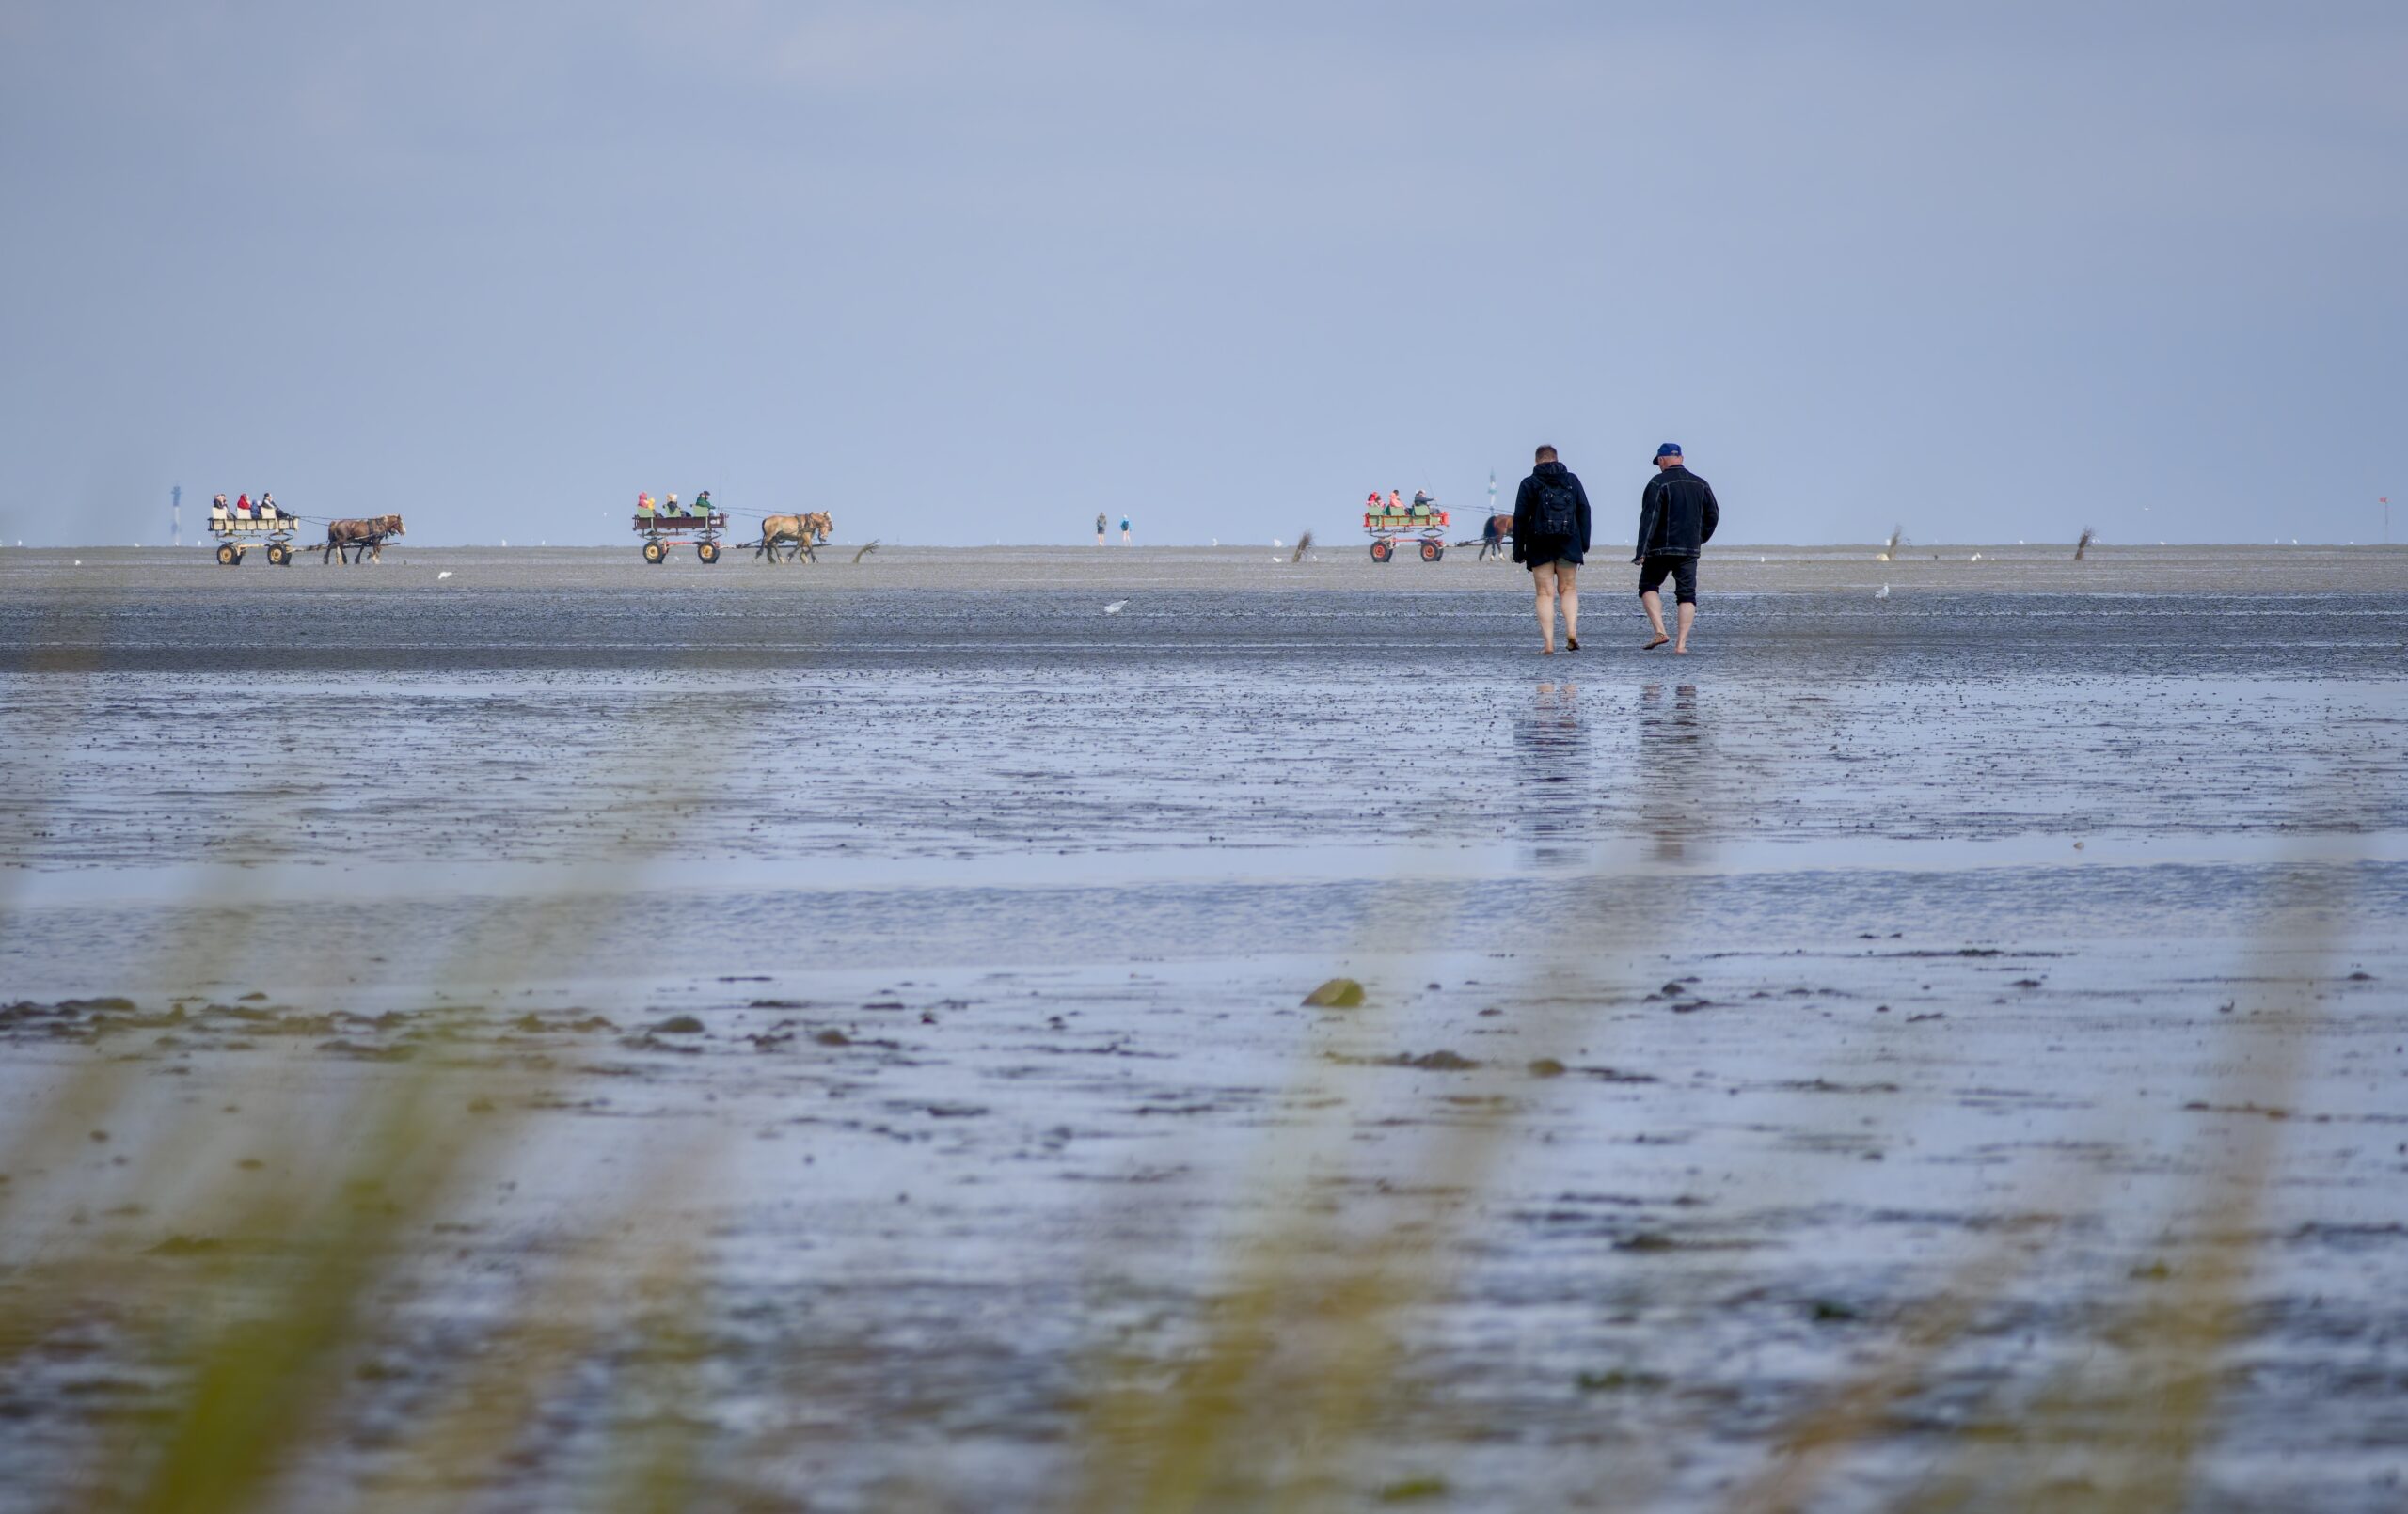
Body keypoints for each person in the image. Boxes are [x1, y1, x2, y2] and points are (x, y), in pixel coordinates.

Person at [1633, 443, 1720, 654]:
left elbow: (1649, 519)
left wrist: (1641, 551)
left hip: (1660, 548)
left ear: (1662, 460)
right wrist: (1699, 538)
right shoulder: (1701, 484)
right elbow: (1713, 515)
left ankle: (1660, 631)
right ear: (1681, 458)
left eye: (1658, 462)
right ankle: (1681, 645)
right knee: (1687, 595)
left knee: (1648, 585)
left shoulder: (1658, 482)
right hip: (1689, 549)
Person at [1511, 445, 1591, 654]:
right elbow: (1584, 509)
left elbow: (1520, 518)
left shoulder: (1529, 483)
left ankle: (1548, 645)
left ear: (1537, 461)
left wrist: (1518, 551)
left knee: (1545, 593)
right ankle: (1571, 632)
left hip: (1539, 544)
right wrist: (1584, 543)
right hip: (1569, 541)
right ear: (1556, 459)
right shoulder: (1571, 480)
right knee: (1568, 589)